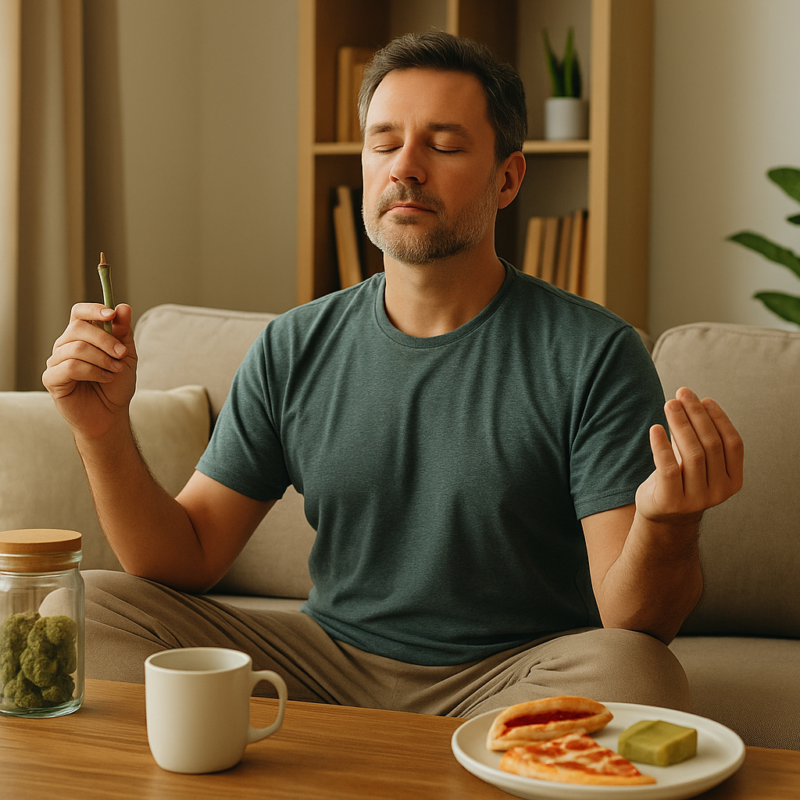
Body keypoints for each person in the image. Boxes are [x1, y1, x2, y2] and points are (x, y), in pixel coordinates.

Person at [42, 31, 743, 718]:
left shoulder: (594, 353)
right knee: (88, 607)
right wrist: (101, 432)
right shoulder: (294, 344)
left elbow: (634, 621)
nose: (405, 166)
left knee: (636, 670)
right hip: (323, 664)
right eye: (384, 143)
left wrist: (668, 525)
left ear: (507, 178)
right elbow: (186, 558)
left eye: (442, 145)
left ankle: (355, 764)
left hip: (513, 675)